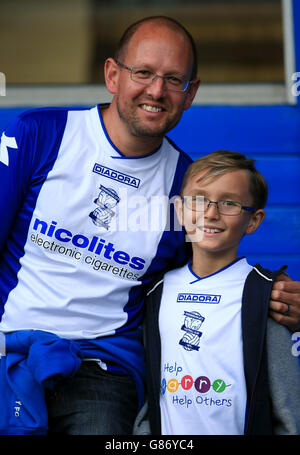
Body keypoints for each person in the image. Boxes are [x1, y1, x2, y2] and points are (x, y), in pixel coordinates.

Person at [0, 16, 299, 435]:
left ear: (190, 93)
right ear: (112, 75)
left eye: (173, 79)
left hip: (102, 369)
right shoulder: (42, 134)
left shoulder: (187, 184)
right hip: (9, 346)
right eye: (143, 73)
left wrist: (269, 295)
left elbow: (207, 272)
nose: (156, 91)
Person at [143, 150, 300, 435]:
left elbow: (287, 405)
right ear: (179, 210)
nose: (211, 213)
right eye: (199, 199)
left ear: (253, 220)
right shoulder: (155, 292)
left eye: (229, 203)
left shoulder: (267, 295)